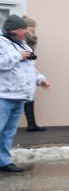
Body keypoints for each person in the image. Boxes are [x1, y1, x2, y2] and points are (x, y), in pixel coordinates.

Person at [0, 15, 52, 173]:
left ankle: (4, 161)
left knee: (8, 132)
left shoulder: (23, 45)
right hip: (4, 96)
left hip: (20, 96)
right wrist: (18, 56)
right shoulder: (2, 43)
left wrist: (40, 79)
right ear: (14, 30)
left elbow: (29, 69)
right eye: (23, 29)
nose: (26, 32)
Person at [21, 16, 46, 131]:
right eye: (32, 26)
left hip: (28, 73)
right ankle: (31, 124)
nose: (34, 29)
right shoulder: (22, 40)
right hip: (20, 74)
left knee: (29, 98)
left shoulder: (31, 39)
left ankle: (32, 124)